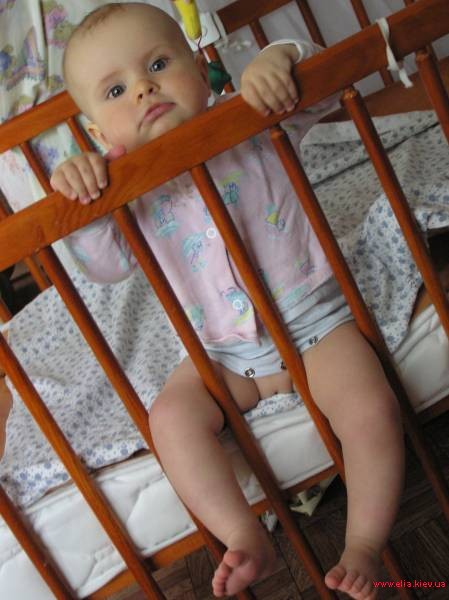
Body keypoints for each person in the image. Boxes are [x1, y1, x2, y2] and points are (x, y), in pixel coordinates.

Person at [50, 3, 404, 598]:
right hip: (219, 354)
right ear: (97, 133)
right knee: (170, 420)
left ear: (198, 67)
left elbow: (324, 80)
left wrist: (279, 58)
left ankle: (364, 544)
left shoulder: (250, 118)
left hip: (315, 323)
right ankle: (243, 535)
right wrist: (84, 202)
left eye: (158, 64)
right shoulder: (125, 187)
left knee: (370, 408)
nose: (143, 89)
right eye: (115, 90)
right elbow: (104, 266)